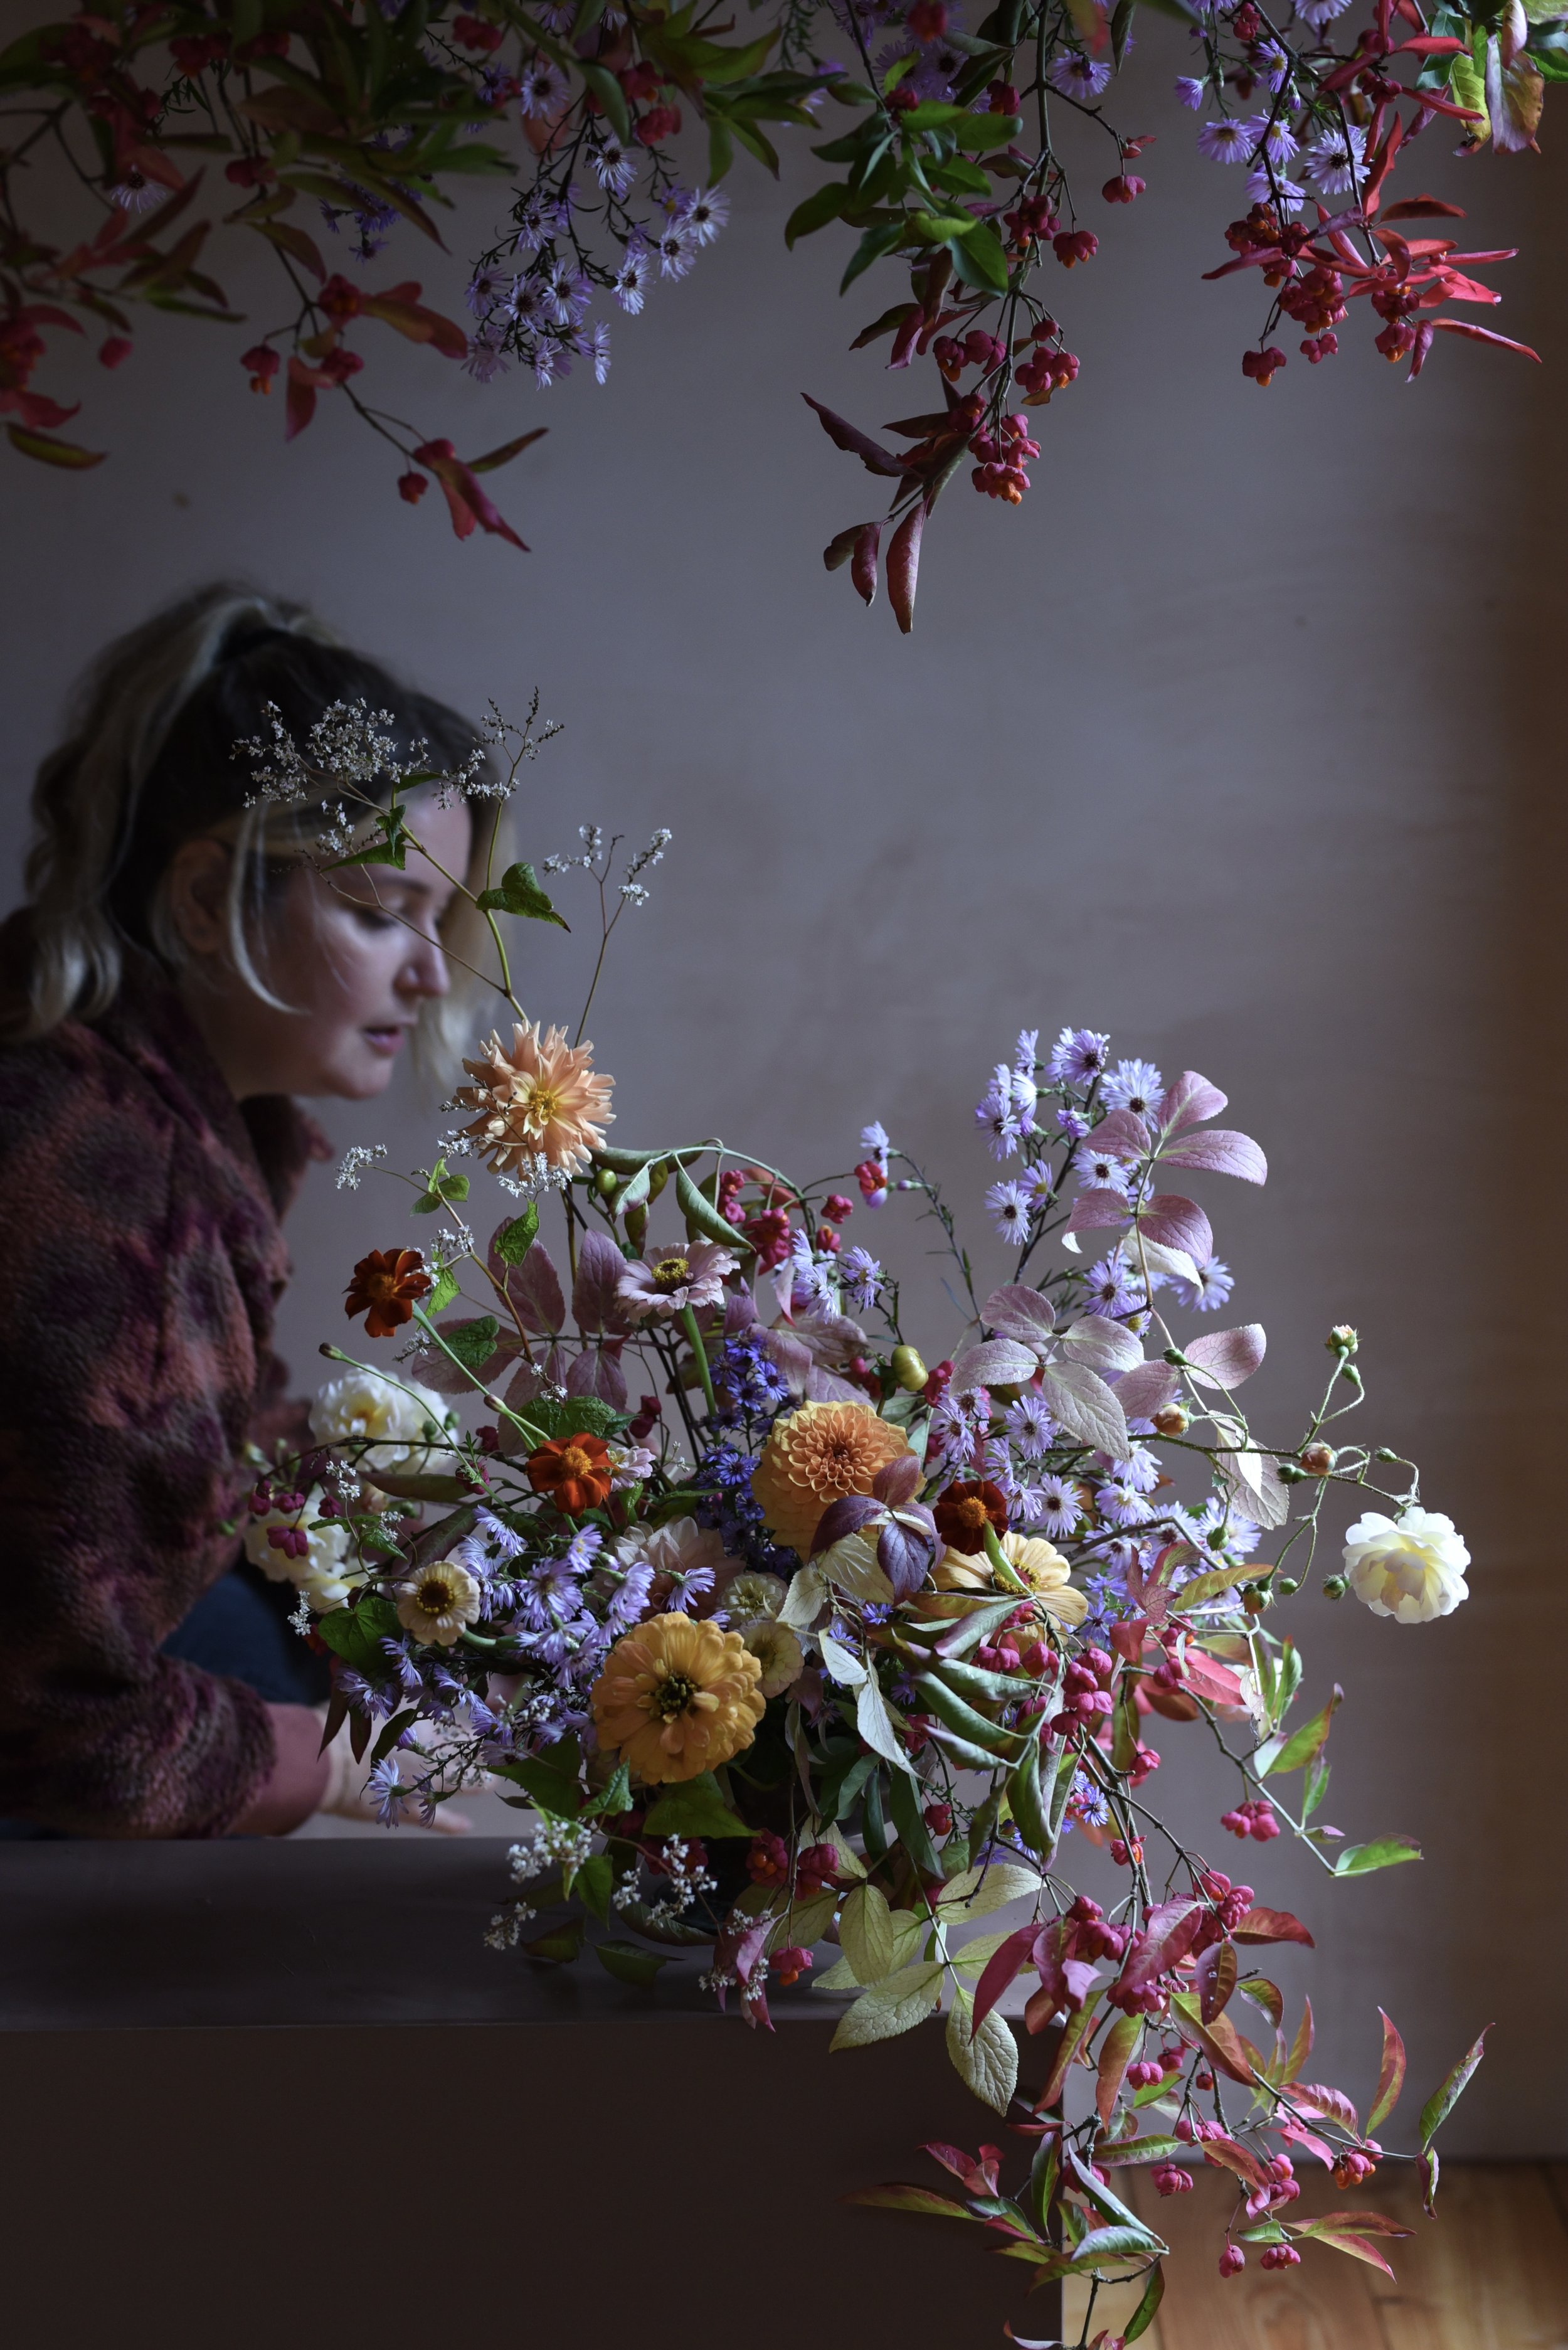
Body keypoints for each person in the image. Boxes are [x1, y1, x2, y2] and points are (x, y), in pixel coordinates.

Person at [0, 584, 492, 1837]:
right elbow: (61, 1733)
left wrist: (475, 1492)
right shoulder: (102, 1181)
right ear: (208, 899)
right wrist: (339, 1758)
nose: (430, 972)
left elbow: (156, 1463)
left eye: (435, 922)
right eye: (383, 914)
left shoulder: (140, 1106)